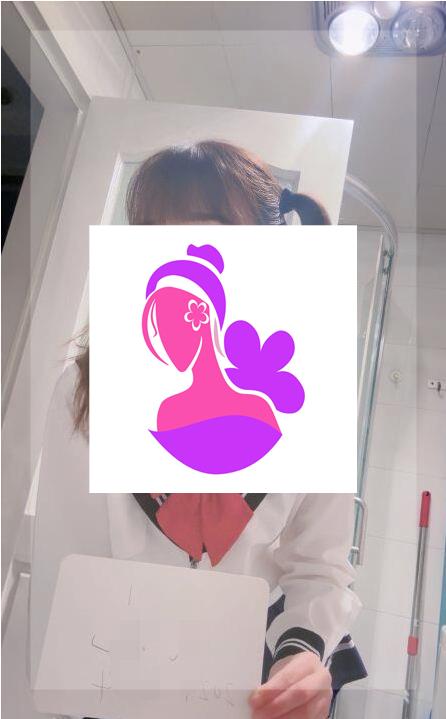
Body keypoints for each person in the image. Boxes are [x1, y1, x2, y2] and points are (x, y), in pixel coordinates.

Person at [31, 140, 366, 719]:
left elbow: (319, 565)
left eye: (206, 234)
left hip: (238, 694)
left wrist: (303, 655)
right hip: (107, 689)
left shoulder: (305, 400)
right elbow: (66, 572)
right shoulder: (88, 391)